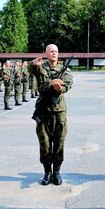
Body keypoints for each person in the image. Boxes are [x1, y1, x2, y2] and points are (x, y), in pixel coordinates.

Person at [28, 44, 73, 186]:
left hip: (59, 110)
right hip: (43, 109)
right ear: (46, 53)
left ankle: (57, 172)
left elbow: (69, 84)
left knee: (59, 142)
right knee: (45, 143)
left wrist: (60, 88)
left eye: (56, 51)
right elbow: (30, 69)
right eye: (51, 51)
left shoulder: (64, 69)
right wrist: (33, 64)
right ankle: (47, 172)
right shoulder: (41, 67)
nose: (54, 54)